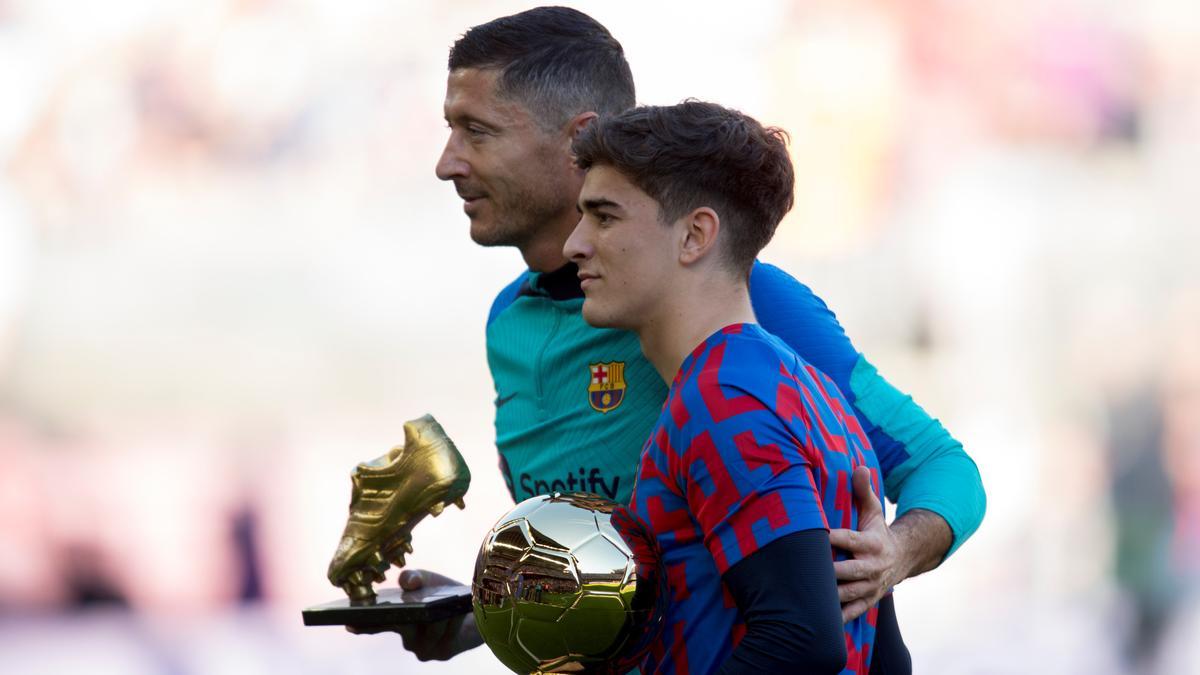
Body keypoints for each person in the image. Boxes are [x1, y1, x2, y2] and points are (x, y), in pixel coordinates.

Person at [393, 5, 984, 666]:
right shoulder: (510, 323)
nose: (448, 163)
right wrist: (488, 609)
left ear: (576, 139)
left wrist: (894, 552)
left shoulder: (741, 329)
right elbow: (647, 566)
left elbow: (938, 470)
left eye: (476, 131)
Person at [569, 98, 879, 675]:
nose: (575, 245)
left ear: (695, 236)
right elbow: (886, 655)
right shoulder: (813, 391)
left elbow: (801, 639)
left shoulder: (723, 395)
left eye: (604, 217)